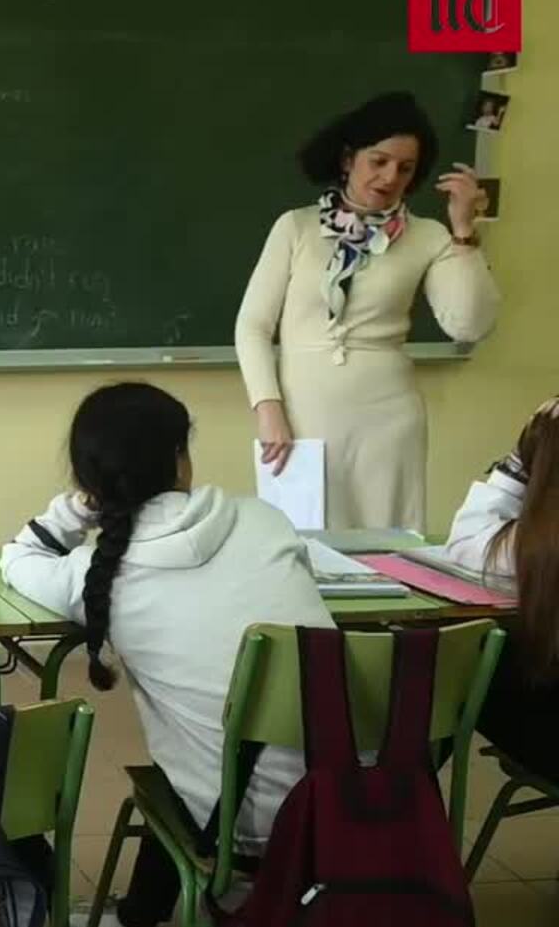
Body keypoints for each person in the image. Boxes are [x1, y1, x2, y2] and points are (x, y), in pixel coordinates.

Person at [1, 382, 335, 927]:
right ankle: (143, 919)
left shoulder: (97, 577)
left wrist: (77, 507)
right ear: (182, 456)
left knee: (189, 751)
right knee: (208, 738)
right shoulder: (265, 520)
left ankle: (150, 924)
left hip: (249, 827)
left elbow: (19, 558)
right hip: (366, 797)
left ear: (89, 480)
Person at [237, 91, 500, 531]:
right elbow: (252, 327)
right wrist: (268, 408)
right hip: (302, 413)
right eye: (378, 161)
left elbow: (469, 324)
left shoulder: (428, 236)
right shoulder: (296, 227)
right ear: (347, 158)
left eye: (405, 168)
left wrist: (463, 231)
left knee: (388, 552)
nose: (389, 177)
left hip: (389, 419)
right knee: (302, 548)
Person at [445, 398, 559, 781]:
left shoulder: (533, 549)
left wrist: (518, 460)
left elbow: (464, 542)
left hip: (549, 740)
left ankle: (394, 816)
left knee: (451, 665)